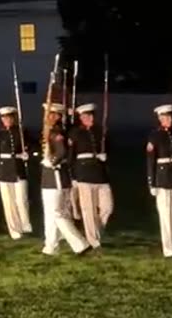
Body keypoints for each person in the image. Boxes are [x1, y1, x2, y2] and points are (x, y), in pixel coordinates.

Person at [40, 102, 90, 256]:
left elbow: (62, 152)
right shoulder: (49, 131)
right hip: (49, 178)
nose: (50, 117)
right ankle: (51, 247)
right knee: (50, 215)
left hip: (56, 178)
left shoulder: (56, 132)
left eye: (53, 114)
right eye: (49, 114)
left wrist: (52, 160)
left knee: (57, 214)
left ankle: (80, 243)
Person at [146, 104, 172, 258]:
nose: (168, 120)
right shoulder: (155, 136)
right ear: (160, 119)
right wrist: (151, 182)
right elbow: (151, 160)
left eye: (170, 117)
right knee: (166, 216)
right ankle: (169, 249)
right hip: (163, 179)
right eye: (165, 117)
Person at [69, 103, 113, 249]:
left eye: (92, 115)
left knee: (108, 207)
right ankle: (94, 241)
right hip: (84, 174)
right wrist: (73, 177)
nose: (90, 118)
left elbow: (112, 148)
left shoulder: (101, 131)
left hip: (100, 175)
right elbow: (71, 156)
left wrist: (106, 155)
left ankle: (95, 232)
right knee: (89, 209)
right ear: (81, 118)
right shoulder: (76, 133)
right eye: (87, 116)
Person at [0, 105, 33, 239]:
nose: (7, 120)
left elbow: (32, 146)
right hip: (4, 170)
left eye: (9, 117)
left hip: (18, 168)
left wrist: (28, 154)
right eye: (4, 118)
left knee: (22, 200)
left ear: (13, 118)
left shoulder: (21, 132)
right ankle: (14, 230)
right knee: (9, 203)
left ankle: (25, 225)